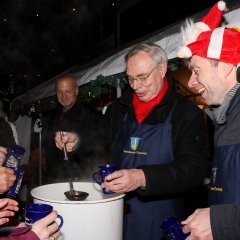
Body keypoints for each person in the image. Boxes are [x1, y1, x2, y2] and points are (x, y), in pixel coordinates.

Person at [55, 42, 207, 240]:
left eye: (142, 77)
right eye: (130, 79)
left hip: (161, 221)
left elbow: (193, 170)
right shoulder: (119, 109)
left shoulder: (185, 112)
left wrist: (142, 177)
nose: (135, 86)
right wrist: (77, 141)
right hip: (115, 215)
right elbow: (99, 141)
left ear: (161, 69)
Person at [176, 1, 240, 239]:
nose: (191, 82)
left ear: (224, 67)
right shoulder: (224, 117)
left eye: (197, 70)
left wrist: (219, 222)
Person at [40, 74, 107, 184]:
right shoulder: (52, 115)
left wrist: (78, 140)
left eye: (68, 91)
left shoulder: (90, 114)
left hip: (81, 178)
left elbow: (100, 143)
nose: (64, 96)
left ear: (76, 91)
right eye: (60, 92)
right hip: (55, 177)